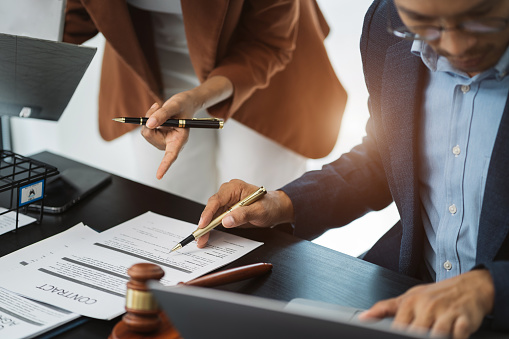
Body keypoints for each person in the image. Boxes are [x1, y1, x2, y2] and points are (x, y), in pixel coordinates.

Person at [195, 0, 509, 338]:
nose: (454, 47)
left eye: (477, 19)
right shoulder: (385, 25)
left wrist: (491, 288)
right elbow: (384, 157)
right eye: (423, 23)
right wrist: (283, 203)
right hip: (405, 289)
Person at [63, 0, 347, 203]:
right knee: (169, 209)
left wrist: (196, 98)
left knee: (255, 211)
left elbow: (268, 44)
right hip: (153, 71)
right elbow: (71, 18)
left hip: (263, 70)